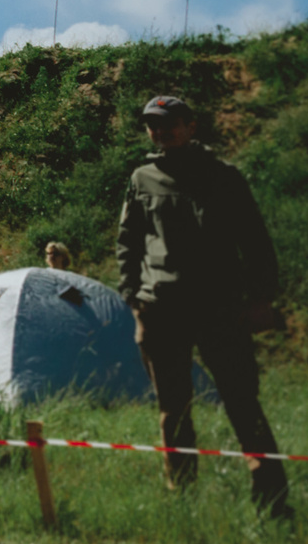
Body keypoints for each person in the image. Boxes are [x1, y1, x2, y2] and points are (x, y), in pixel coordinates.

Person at [117, 95, 290, 518]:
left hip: (221, 311)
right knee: (173, 408)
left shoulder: (224, 177)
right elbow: (128, 243)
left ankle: (271, 499)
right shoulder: (142, 179)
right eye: (153, 125)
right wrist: (134, 299)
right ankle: (183, 496)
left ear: (191, 126)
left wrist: (262, 299)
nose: (161, 131)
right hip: (162, 311)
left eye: (170, 123)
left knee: (242, 401)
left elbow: (256, 243)